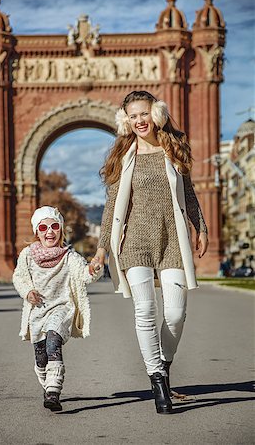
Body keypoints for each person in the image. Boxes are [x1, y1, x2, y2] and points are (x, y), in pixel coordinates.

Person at [93, 91, 208, 414]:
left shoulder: (172, 149)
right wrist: (102, 248)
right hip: (136, 243)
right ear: (125, 120)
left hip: (172, 239)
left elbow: (189, 192)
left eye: (143, 113)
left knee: (174, 313)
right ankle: (158, 381)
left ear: (155, 114)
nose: (139, 121)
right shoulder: (123, 156)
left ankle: (164, 364)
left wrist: (201, 228)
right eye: (132, 116)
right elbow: (113, 206)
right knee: (145, 311)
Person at [13, 206, 102, 412]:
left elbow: (84, 275)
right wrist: (27, 292)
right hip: (37, 312)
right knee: (41, 356)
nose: (49, 231)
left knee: (54, 340)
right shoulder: (27, 255)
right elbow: (19, 277)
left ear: (61, 230)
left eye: (54, 226)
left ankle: (53, 391)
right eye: (43, 227)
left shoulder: (69, 256)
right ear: (37, 232)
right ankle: (47, 384)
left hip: (62, 308)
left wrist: (93, 269)